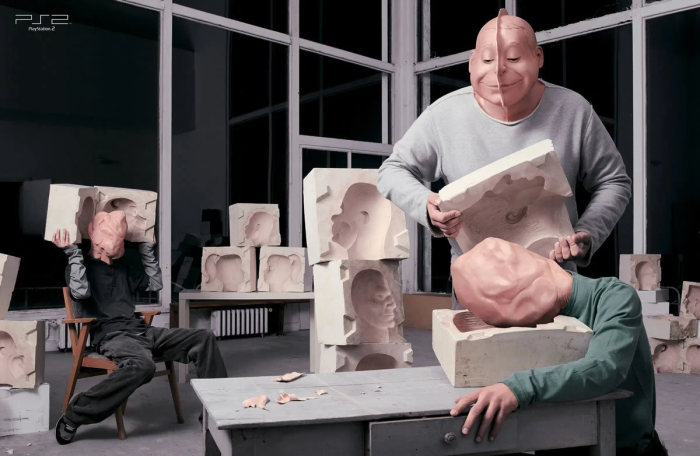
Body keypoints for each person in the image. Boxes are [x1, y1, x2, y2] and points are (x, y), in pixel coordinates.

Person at [377, 9, 631, 308]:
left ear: (538, 57)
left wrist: (587, 232)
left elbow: (614, 182)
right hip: (476, 287)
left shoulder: (574, 110)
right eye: (487, 60)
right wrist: (426, 205)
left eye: (513, 58)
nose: (498, 71)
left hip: (555, 280)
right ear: (471, 62)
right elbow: (392, 170)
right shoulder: (442, 115)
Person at [448, 237, 667, 456]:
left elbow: (603, 368)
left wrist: (518, 388)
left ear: (536, 294)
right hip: (559, 439)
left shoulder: (616, 298)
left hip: (623, 448)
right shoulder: (542, 309)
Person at [51, 210, 228, 445]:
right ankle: (75, 414)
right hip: (113, 337)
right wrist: (73, 254)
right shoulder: (81, 266)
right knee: (143, 366)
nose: (120, 246)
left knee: (203, 338)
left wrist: (147, 250)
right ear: (98, 240)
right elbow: (80, 292)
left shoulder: (123, 267)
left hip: (142, 331)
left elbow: (155, 283)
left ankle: (218, 410)